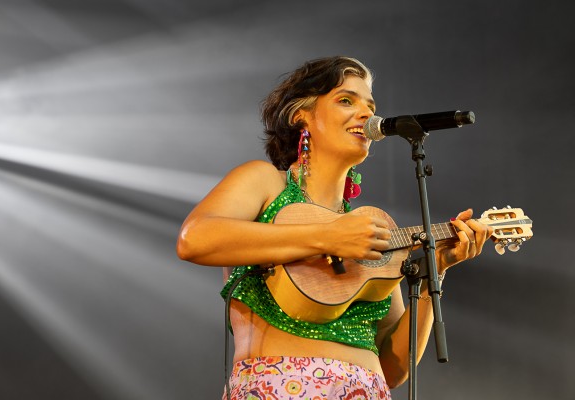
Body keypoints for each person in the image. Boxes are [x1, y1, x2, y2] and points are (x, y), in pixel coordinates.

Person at [176, 56, 493, 399]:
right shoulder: (265, 182)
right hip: (281, 388)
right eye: (346, 100)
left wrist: (436, 271)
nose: (366, 114)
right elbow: (194, 239)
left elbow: (392, 369)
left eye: (371, 106)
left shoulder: (368, 232)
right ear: (301, 115)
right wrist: (329, 236)